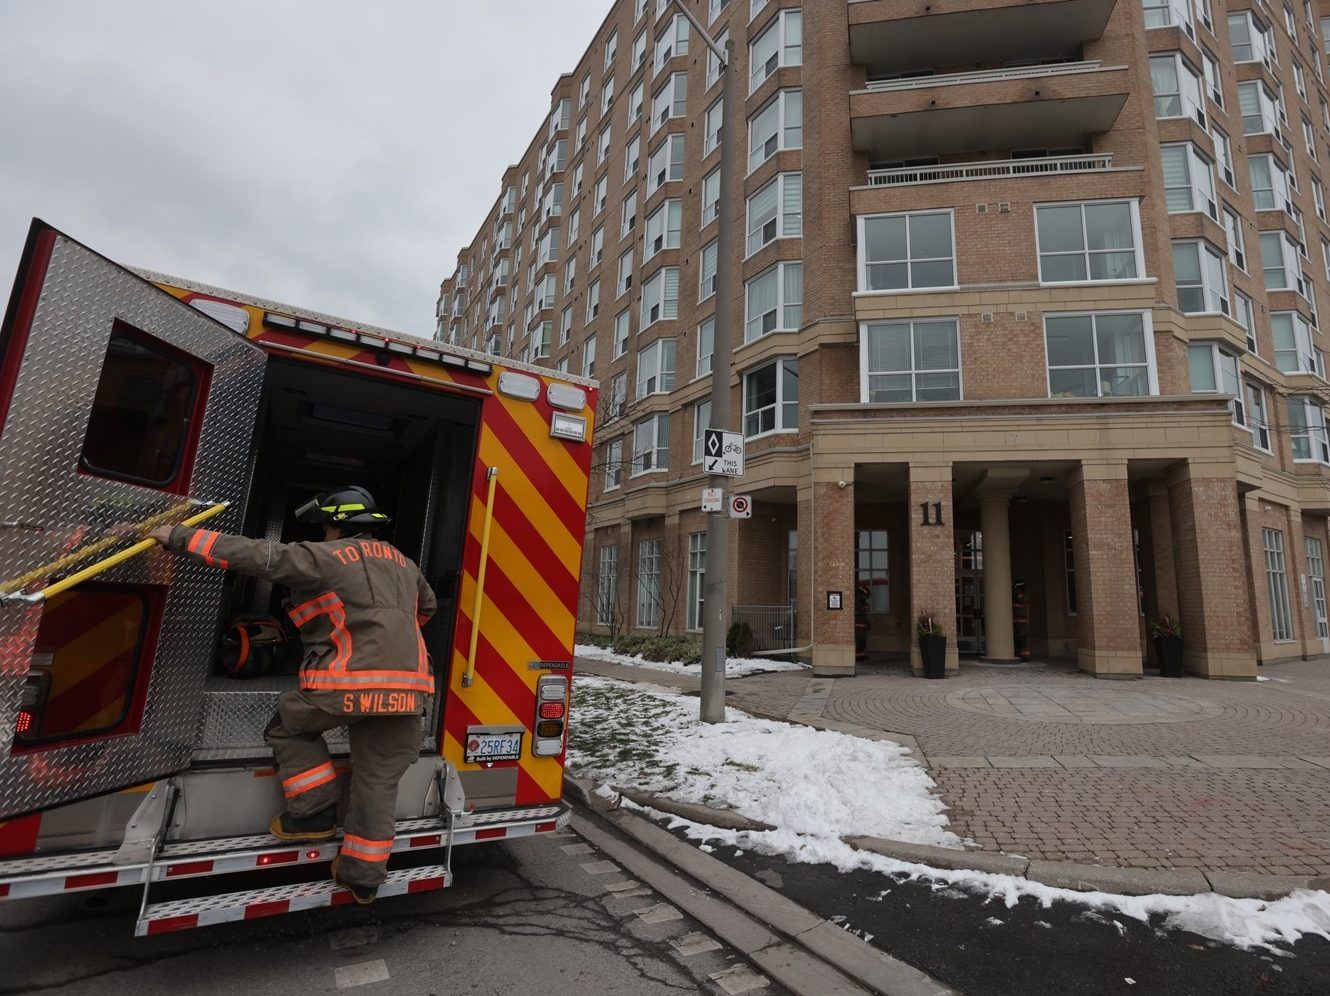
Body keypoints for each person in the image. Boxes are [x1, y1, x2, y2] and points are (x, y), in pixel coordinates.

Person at [142, 486, 436, 905]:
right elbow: (425, 611)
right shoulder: (407, 565)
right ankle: (363, 877)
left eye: (325, 527)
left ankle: (314, 813)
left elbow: (257, 556)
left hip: (347, 684)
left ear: (336, 525)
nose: (324, 533)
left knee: (287, 727)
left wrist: (177, 536)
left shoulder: (326, 556)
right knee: (378, 781)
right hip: (410, 692)